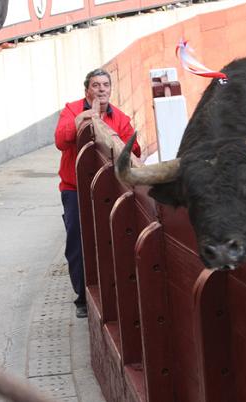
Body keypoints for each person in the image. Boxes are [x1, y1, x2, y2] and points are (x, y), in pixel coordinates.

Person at [55, 68, 140, 318]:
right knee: (77, 243)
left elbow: (134, 149)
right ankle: (82, 298)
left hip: (108, 190)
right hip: (75, 190)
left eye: (105, 85)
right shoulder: (72, 110)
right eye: (96, 85)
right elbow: (61, 140)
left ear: (110, 90)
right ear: (87, 90)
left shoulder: (120, 118)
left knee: (109, 240)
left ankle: (110, 294)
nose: (101, 89)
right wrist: (83, 118)